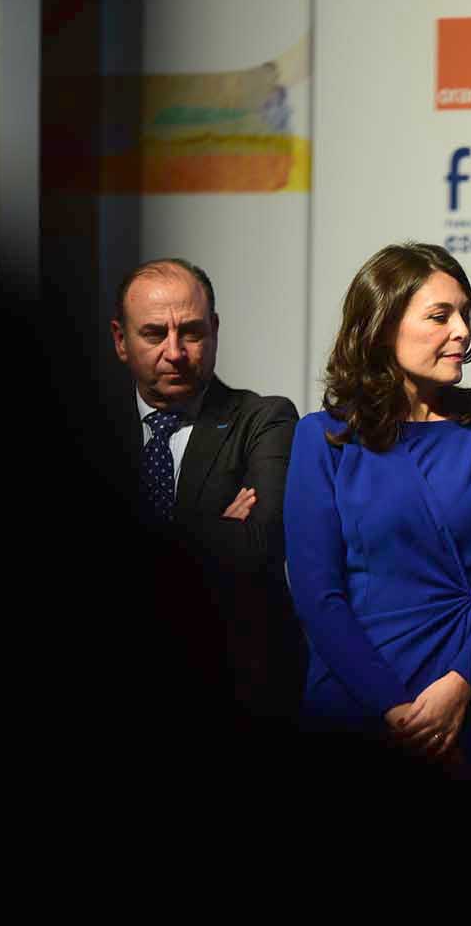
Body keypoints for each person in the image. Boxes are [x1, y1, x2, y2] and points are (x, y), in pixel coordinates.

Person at [283, 242, 471, 840]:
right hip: (361, 695)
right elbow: (318, 595)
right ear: (381, 326)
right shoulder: (324, 439)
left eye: (465, 314)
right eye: (439, 315)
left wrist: (462, 682)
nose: (462, 331)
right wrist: (396, 709)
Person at [110, 257, 305, 728]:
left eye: (191, 332)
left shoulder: (264, 419)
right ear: (120, 340)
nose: (175, 352)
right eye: (154, 334)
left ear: (214, 330)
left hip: (238, 686)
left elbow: (261, 541)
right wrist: (213, 527)